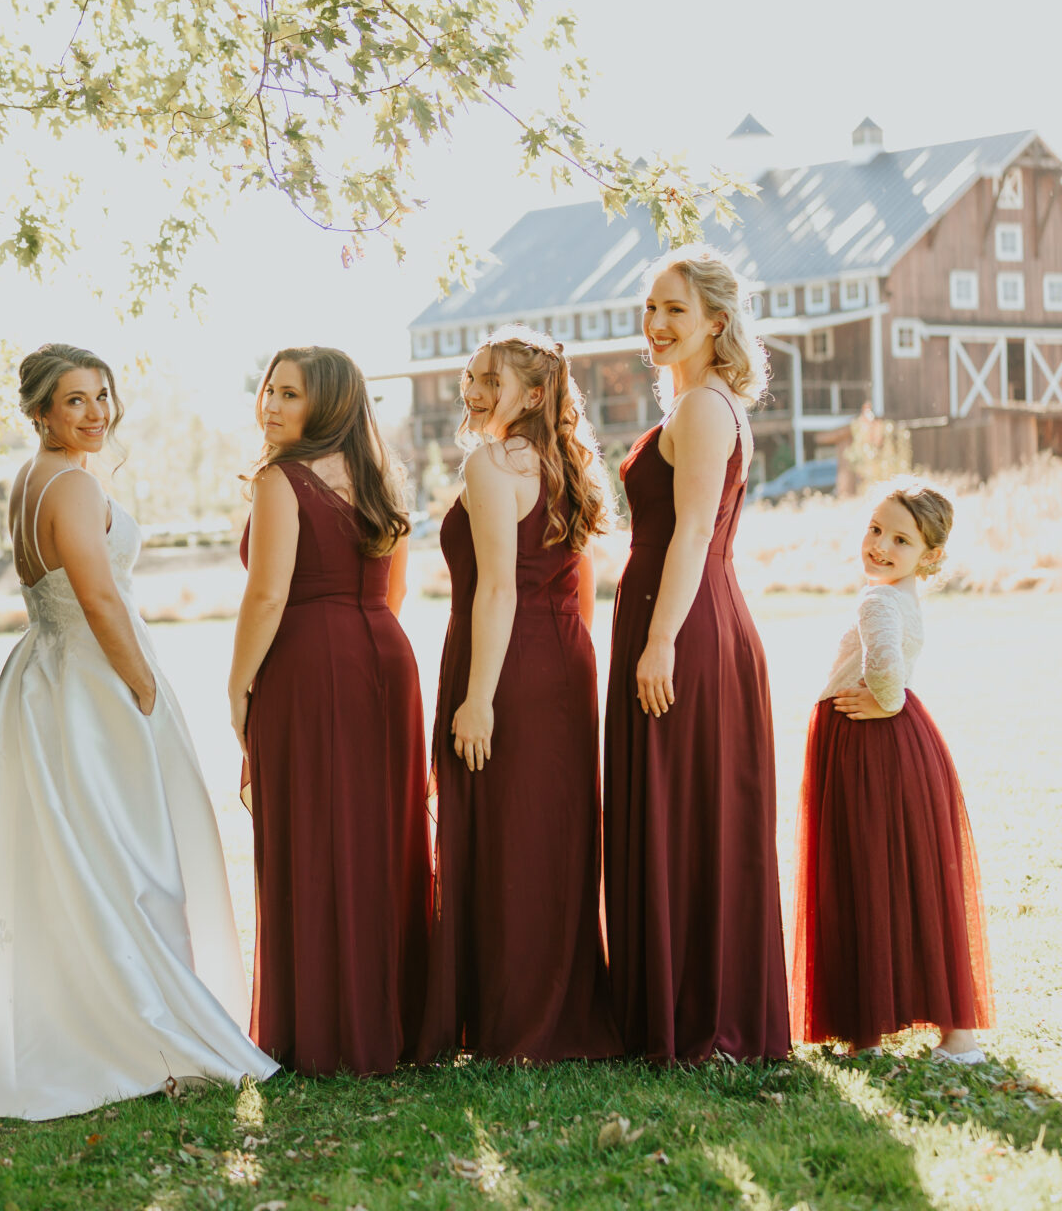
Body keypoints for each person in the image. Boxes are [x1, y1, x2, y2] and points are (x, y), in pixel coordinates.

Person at [0, 344, 276, 1118]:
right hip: (94, 677)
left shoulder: (35, 479)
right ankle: (139, 1021)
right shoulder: (65, 485)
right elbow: (98, 599)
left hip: (48, 672)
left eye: (102, 395)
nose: (95, 411)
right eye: (75, 400)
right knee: (126, 850)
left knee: (72, 853)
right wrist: (142, 685)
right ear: (39, 411)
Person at [603, 246, 789, 1063]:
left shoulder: (706, 410)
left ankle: (701, 1017)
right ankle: (667, 1007)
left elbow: (694, 531)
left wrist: (658, 642)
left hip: (686, 627)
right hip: (678, 617)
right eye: (650, 308)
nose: (657, 324)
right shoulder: (694, 405)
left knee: (691, 815)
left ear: (717, 321)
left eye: (675, 309)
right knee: (677, 811)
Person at [417, 327, 621, 1063]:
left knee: (506, 837)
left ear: (533, 394)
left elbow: (498, 587)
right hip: (565, 659)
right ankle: (557, 1012)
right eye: (468, 378)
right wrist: (568, 656)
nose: (471, 392)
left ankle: (512, 1022)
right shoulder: (567, 462)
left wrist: (479, 699)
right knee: (552, 837)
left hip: (503, 664)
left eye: (488, 381)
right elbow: (583, 581)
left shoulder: (490, 463)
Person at [228, 346, 430, 1076]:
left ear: (331, 405)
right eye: (269, 388)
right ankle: (391, 1019)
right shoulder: (382, 476)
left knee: (310, 835)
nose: (272, 406)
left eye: (290, 395)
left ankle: (317, 1028)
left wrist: (239, 686)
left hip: (310, 661)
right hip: (385, 655)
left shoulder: (281, 480)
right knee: (381, 838)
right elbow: (396, 590)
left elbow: (267, 595)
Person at [791, 482, 993, 1062]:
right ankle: (954, 1033)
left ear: (929, 556)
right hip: (898, 743)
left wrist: (889, 701)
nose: (880, 545)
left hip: (870, 743)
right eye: (876, 529)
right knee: (910, 877)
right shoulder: (897, 594)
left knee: (863, 873)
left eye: (900, 540)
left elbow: (885, 673)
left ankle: (869, 1031)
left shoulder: (877, 601)